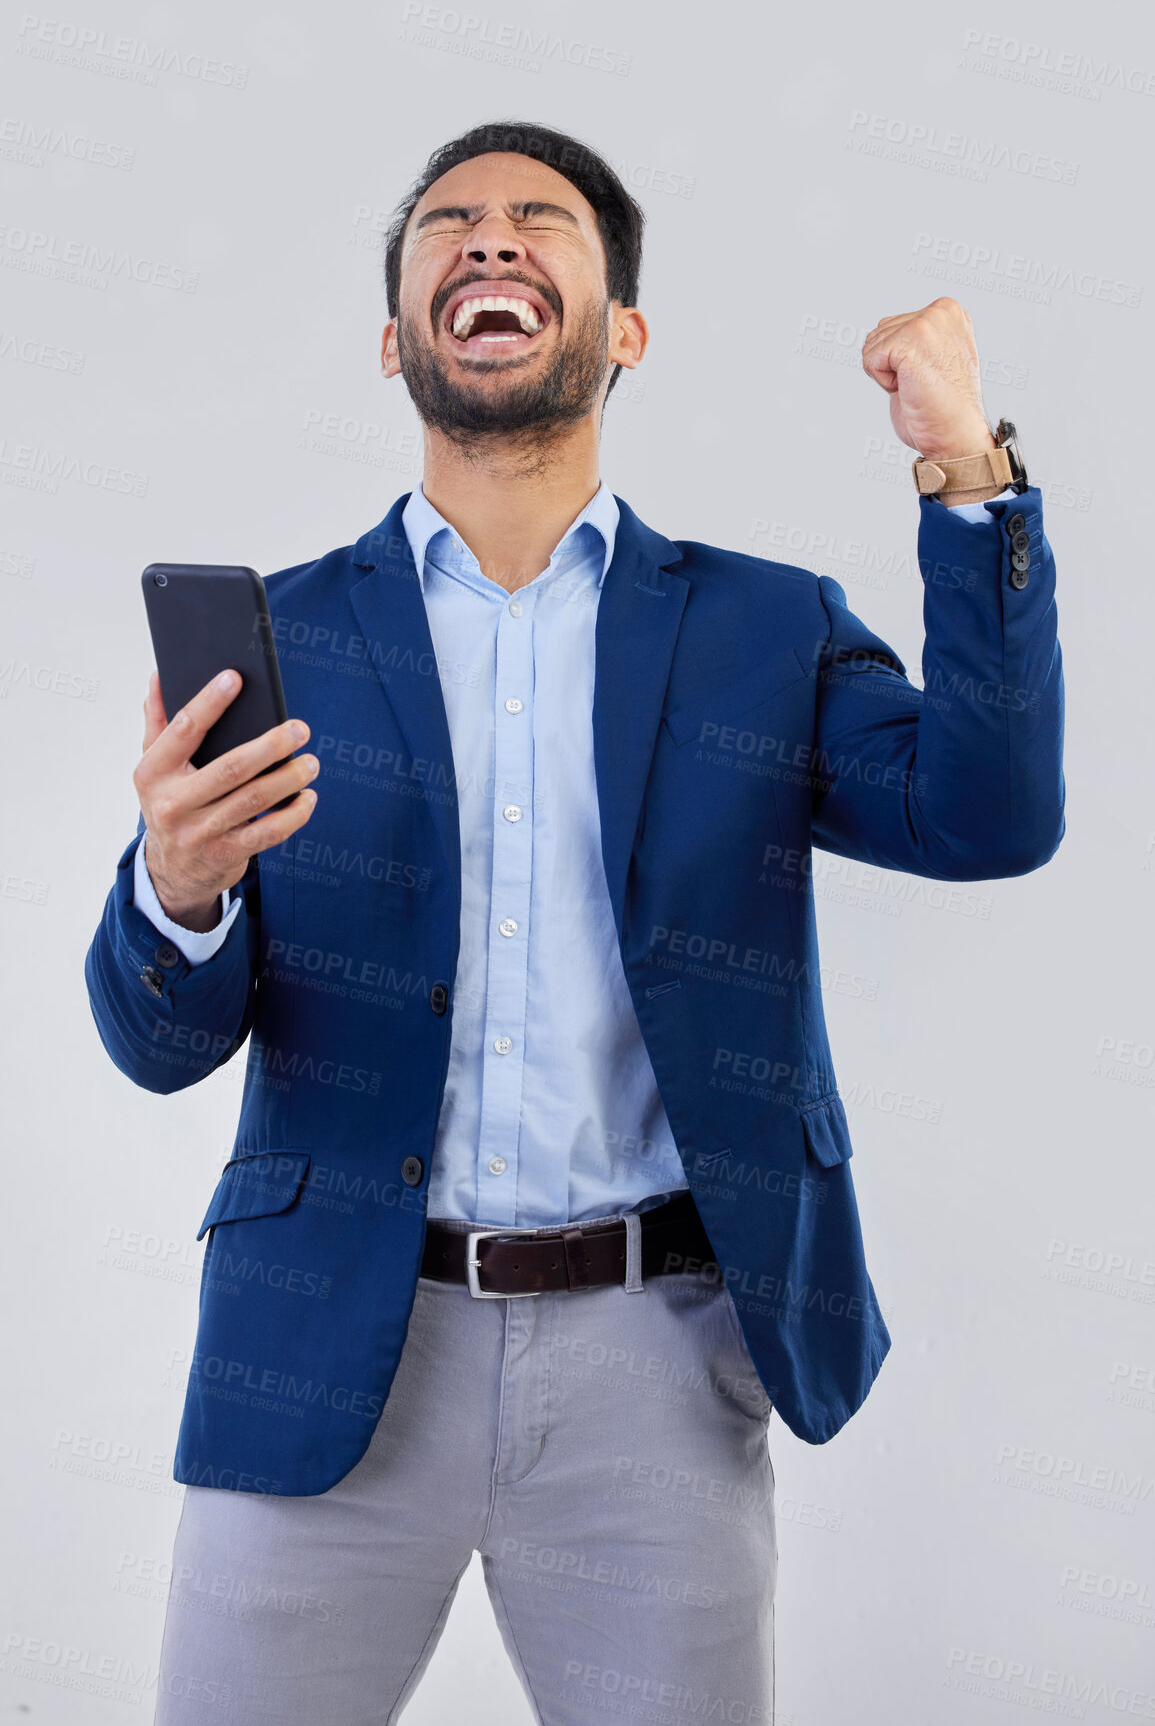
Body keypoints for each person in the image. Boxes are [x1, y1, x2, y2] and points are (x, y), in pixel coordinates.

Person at [85, 119, 1065, 1725]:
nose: (489, 239)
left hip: (654, 1367)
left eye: (539, 221)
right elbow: (157, 1043)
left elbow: (991, 814)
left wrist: (970, 472)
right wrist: (176, 892)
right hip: (328, 1337)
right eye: (448, 225)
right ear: (394, 337)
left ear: (624, 334)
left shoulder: (765, 628)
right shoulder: (281, 642)